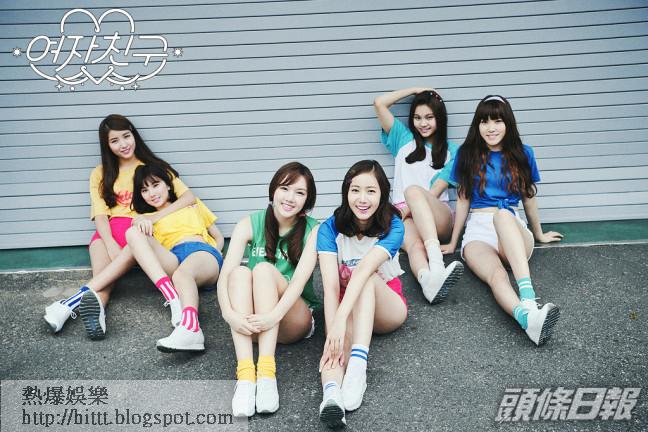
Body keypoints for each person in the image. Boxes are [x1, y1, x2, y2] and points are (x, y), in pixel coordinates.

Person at [43, 114, 195, 339]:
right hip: (105, 233)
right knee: (103, 279)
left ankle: (65, 306)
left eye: (126, 136)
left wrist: (154, 217)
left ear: (134, 134)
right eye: (115, 141)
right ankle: (95, 313)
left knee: (104, 278)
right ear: (107, 145)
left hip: (135, 232)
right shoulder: (100, 173)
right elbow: (100, 215)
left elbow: (188, 197)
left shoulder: (152, 167)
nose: (123, 144)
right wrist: (110, 243)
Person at [443, 95, 563, 346]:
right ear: (477, 125)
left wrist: (539, 234)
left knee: (503, 215)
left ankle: (528, 298)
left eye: (497, 121)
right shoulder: (467, 154)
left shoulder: (523, 153)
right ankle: (527, 320)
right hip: (478, 231)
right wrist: (454, 241)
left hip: (511, 228)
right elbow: (463, 200)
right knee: (496, 277)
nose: (491, 128)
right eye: (484, 121)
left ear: (508, 123)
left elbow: (528, 197)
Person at [216, 162, 320, 417]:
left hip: (292, 319)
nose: (290, 198)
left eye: (299, 193)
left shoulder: (314, 229)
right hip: (256, 325)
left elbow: (298, 283)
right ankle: (245, 377)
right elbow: (224, 277)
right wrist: (229, 314)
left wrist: (273, 316)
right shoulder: (249, 223)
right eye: (285, 188)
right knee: (239, 273)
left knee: (262, 270)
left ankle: (266, 374)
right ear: (273, 190)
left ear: (307, 200)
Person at [316, 160, 407, 428]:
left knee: (364, 275)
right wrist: (333, 329)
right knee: (334, 345)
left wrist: (338, 320)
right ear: (346, 192)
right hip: (348, 307)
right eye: (355, 190)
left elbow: (365, 269)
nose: (362, 199)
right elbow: (331, 287)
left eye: (371, 191)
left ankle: (358, 368)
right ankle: (331, 395)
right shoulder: (329, 228)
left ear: (382, 194)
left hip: (387, 307)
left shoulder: (393, 225)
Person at [374, 88, 463, 304]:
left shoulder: (452, 151)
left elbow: (435, 191)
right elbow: (379, 103)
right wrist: (415, 90)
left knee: (413, 191)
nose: (423, 123)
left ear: (440, 118)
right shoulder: (402, 139)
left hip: (437, 215)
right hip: (404, 215)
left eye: (429, 117)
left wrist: (407, 209)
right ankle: (428, 283)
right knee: (415, 247)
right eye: (417, 117)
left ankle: (437, 264)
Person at [125, 163, 224, 352]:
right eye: (144, 190)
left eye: (156, 185)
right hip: (173, 257)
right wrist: (141, 221)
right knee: (132, 233)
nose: (151, 193)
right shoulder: (147, 217)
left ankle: (192, 329)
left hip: (201, 252)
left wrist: (217, 251)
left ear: (169, 185)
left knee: (182, 274)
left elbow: (218, 236)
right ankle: (172, 297)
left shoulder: (192, 204)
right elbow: (138, 233)